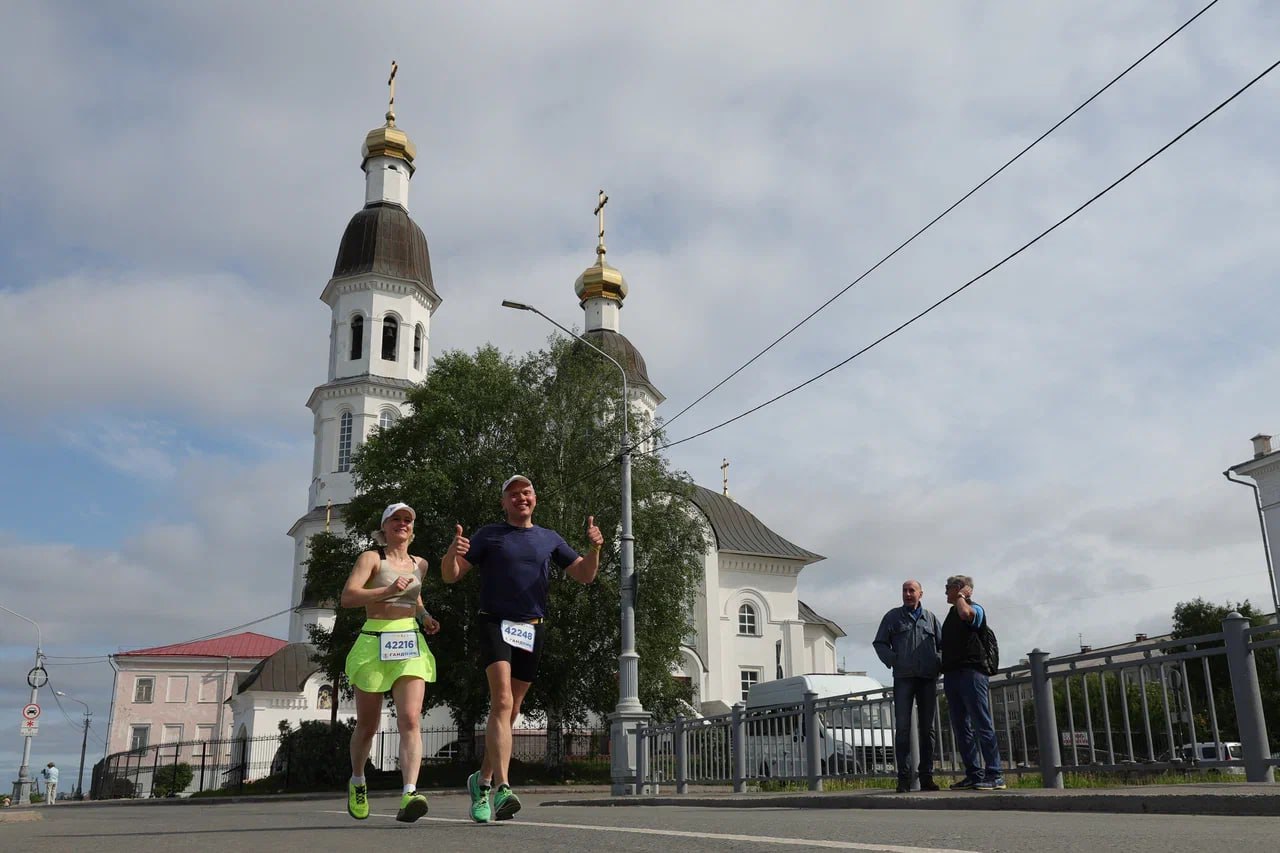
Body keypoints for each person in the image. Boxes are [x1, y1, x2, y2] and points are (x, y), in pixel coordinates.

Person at [442, 475, 601, 823]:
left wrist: (595, 549)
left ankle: (480, 782)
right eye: (513, 494)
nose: (520, 498)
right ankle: (503, 789)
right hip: (494, 623)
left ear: (535, 498)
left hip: (531, 629)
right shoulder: (488, 535)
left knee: (510, 711)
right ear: (504, 502)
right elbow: (451, 576)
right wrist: (452, 553)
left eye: (526, 492)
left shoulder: (549, 538)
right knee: (500, 702)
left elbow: (585, 575)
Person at [340, 502, 442, 823]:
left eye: (407, 520)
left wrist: (424, 616)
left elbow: (415, 598)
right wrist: (386, 590)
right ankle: (358, 780)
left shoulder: (419, 564)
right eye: (395, 519)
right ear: (384, 527)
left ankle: (410, 793)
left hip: (408, 642)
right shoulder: (372, 558)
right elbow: (348, 597)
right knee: (368, 726)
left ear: (412, 529)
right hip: (374, 641)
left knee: (410, 719)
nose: (402, 524)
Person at [872, 579, 942, 792]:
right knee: (902, 728)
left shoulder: (930, 618)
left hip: (927, 678)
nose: (907, 594)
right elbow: (880, 643)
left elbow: (942, 645)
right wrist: (893, 660)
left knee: (927, 729)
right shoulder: (892, 617)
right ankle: (903, 778)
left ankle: (926, 777)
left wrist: (937, 664)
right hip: (903, 678)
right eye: (904, 590)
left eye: (912, 590)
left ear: (921, 594)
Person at [940, 574, 1004, 790]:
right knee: (961, 727)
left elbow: (967, 614)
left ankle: (995, 774)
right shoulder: (951, 614)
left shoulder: (974, 608)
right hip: (952, 674)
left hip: (972, 673)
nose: (945, 592)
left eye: (948, 588)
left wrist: (961, 596)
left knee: (981, 723)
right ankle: (974, 774)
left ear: (958, 588)